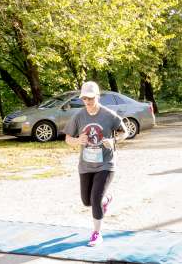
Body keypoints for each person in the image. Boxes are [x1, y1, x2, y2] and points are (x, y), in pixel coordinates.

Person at [64, 81, 128, 247]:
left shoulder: (109, 115)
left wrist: (113, 140)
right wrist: (78, 140)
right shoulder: (78, 116)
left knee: (95, 198)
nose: (88, 102)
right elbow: (67, 139)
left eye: (91, 98)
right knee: (87, 201)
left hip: (106, 163)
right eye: (85, 98)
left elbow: (125, 132)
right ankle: (105, 200)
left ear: (98, 97)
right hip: (86, 165)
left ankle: (96, 233)